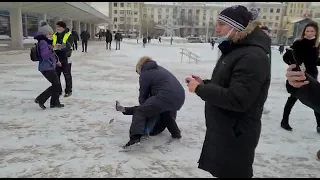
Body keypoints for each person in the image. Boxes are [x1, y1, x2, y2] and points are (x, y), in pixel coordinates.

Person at [185, 6, 271, 178]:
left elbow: (238, 99)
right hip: (226, 130)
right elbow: (228, 85)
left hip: (237, 133)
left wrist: (201, 89)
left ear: (237, 27)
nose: (217, 28)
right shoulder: (236, 49)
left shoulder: (252, 56)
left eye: (222, 24)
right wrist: (206, 84)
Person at [122, 56, 185, 148]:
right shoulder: (160, 69)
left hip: (165, 96)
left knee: (141, 111)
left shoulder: (146, 73)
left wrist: (143, 108)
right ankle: (176, 133)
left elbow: (143, 94)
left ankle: (135, 138)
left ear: (140, 67)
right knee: (165, 112)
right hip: (179, 97)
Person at [281, 22, 320, 132]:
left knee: (316, 99)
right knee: (293, 98)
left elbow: (315, 61)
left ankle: (319, 125)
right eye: (307, 31)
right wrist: (293, 63)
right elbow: (287, 57)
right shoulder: (298, 43)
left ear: (316, 32)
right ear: (304, 32)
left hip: (312, 75)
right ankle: (284, 121)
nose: (309, 33)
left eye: (312, 31)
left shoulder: (317, 44)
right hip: (299, 75)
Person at [34, 21, 64, 109]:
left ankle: (54, 103)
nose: (51, 35)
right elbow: (45, 56)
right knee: (56, 85)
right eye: (49, 34)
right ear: (45, 34)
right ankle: (40, 99)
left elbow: (51, 54)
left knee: (56, 85)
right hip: (46, 67)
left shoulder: (45, 42)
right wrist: (53, 49)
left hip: (49, 66)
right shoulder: (43, 42)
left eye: (51, 34)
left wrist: (56, 61)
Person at [115, 101, 182, 138]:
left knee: (152, 111)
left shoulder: (169, 108)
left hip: (155, 129)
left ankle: (145, 132)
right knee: (143, 108)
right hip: (151, 122)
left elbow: (170, 121)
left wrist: (176, 134)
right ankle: (123, 109)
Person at [53, 21, 73, 98]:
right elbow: (52, 45)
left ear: (63, 27)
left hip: (66, 58)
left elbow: (68, 46)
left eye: (59, 27)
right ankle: (59, 90)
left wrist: (58, 47)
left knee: (67, 75)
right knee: (57, 75)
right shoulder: (55, 35)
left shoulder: (68, 35)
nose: (57, 28)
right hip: (56, 58)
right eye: (57, 27)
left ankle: (68, 91)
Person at [260, 26, 272, 114]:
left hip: (266, 70)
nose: (264, 34)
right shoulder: (257, 44)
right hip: (257, 70)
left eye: (266, 33)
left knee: (264, 89)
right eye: (262, 32)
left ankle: (262, 105)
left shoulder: (268, 44)